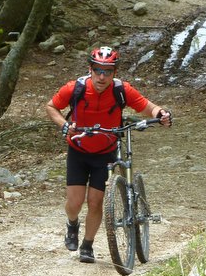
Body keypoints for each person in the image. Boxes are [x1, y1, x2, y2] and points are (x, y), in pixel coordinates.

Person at [44, 46, 172, 263]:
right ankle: (72, 224)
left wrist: (160, 113)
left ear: (114, 72)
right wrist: (65, 125)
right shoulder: (75, 88)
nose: (102, 76)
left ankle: (87, 245)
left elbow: (147, 106)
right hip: (78, 149)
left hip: (106, 152)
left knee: (96, 201)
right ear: (90, 69)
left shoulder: (121, 90)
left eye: (108, 71)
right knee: (74, 203)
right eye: (98, 71)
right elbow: (51, 107)